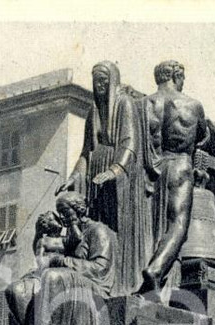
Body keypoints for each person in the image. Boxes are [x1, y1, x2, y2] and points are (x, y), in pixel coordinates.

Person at [57, 61, 151, 295]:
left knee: (116, 229)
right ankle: (97, 277)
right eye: (95, 80)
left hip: (118, 176)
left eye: (103, 80)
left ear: (112, 81)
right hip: (95, 173)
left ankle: (119, 282)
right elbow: (85, 152)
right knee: (97, 226)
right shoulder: (93, 111)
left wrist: (115, 170)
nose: (99, 85)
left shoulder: (125, 104)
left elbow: (130, 144)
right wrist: (75, 176)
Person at [136, 60, 209, 296]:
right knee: (177, 224)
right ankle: (156, 270)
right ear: (177, 76)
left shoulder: (143, 104)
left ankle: (149, 271)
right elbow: (201, 136)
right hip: (179, 164)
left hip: (153, 167)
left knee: (151, 224)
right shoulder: (193, 105)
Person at [26, 192, 117, 325]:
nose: (61, 217)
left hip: (96, 286)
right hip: (71, 279)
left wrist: (62, 261)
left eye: (65, 211)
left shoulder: (99, 231)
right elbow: (45, 245)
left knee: (52, 276)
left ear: (79, 210)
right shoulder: (72, 236)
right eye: (59, 212)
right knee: (20, 289)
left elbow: (100, 269)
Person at [5, 211, 67, 325]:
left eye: (56, 220)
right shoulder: (42, 241)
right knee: (17, 290)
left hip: (63, 273)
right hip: (44, 273)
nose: (57, 223)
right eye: (52, 221)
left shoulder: (66, 239)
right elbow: (41, 260)